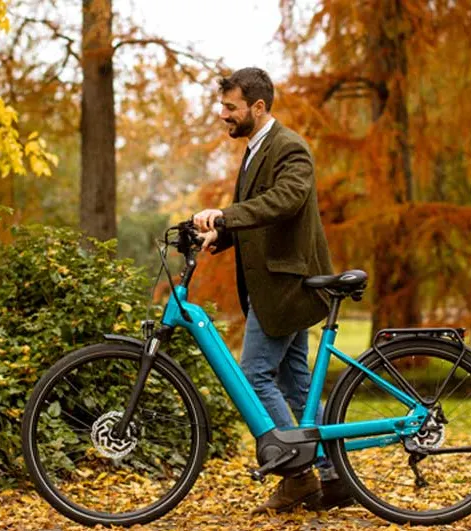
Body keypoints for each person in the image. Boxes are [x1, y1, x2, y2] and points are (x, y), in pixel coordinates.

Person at [192, 67, 354, 514]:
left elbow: (285, 200)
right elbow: (260, 217)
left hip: (286, 284)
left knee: (255, 375)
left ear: (257, 107)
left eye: (230, 107)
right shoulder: (254, 150)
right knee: (296, 382)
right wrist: (220, 236)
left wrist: (224, 215)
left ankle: (300, 471)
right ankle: (337, 477)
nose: (222, 114)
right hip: (274, 284)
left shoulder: (289, 148)